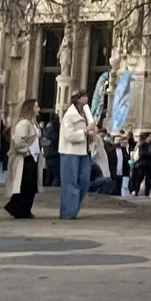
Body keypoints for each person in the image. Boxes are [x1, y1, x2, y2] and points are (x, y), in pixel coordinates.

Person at [57, 90, 95, 219]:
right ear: (78, 99)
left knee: (84, 180)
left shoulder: (85, 114)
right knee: (70, 182)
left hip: (83, 151)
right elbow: (69, 135)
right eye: (84, 96)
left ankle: (74, 206)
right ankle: (68, 212)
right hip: (70, 151)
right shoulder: (69, 115)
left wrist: (91, 135)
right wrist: (85, 131)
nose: (87, 99)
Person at [4, 99, 42, 219]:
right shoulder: (24, 123)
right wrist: (27, 150)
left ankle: (25, 209)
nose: (39, 109)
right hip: (26, 158)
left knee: (31, 185)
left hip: (34, 156)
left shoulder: (33, 123)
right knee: (25, 184)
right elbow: (18, 141)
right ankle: (17, 208)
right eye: (36, 107)